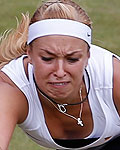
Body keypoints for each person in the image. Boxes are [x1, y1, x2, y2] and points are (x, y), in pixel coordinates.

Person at [0, 0, 120, 149]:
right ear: (29, 53)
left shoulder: (113, 78)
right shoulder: (11, 87)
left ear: (88, 56)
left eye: (72, 59)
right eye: (47, 59)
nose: (60, 71)